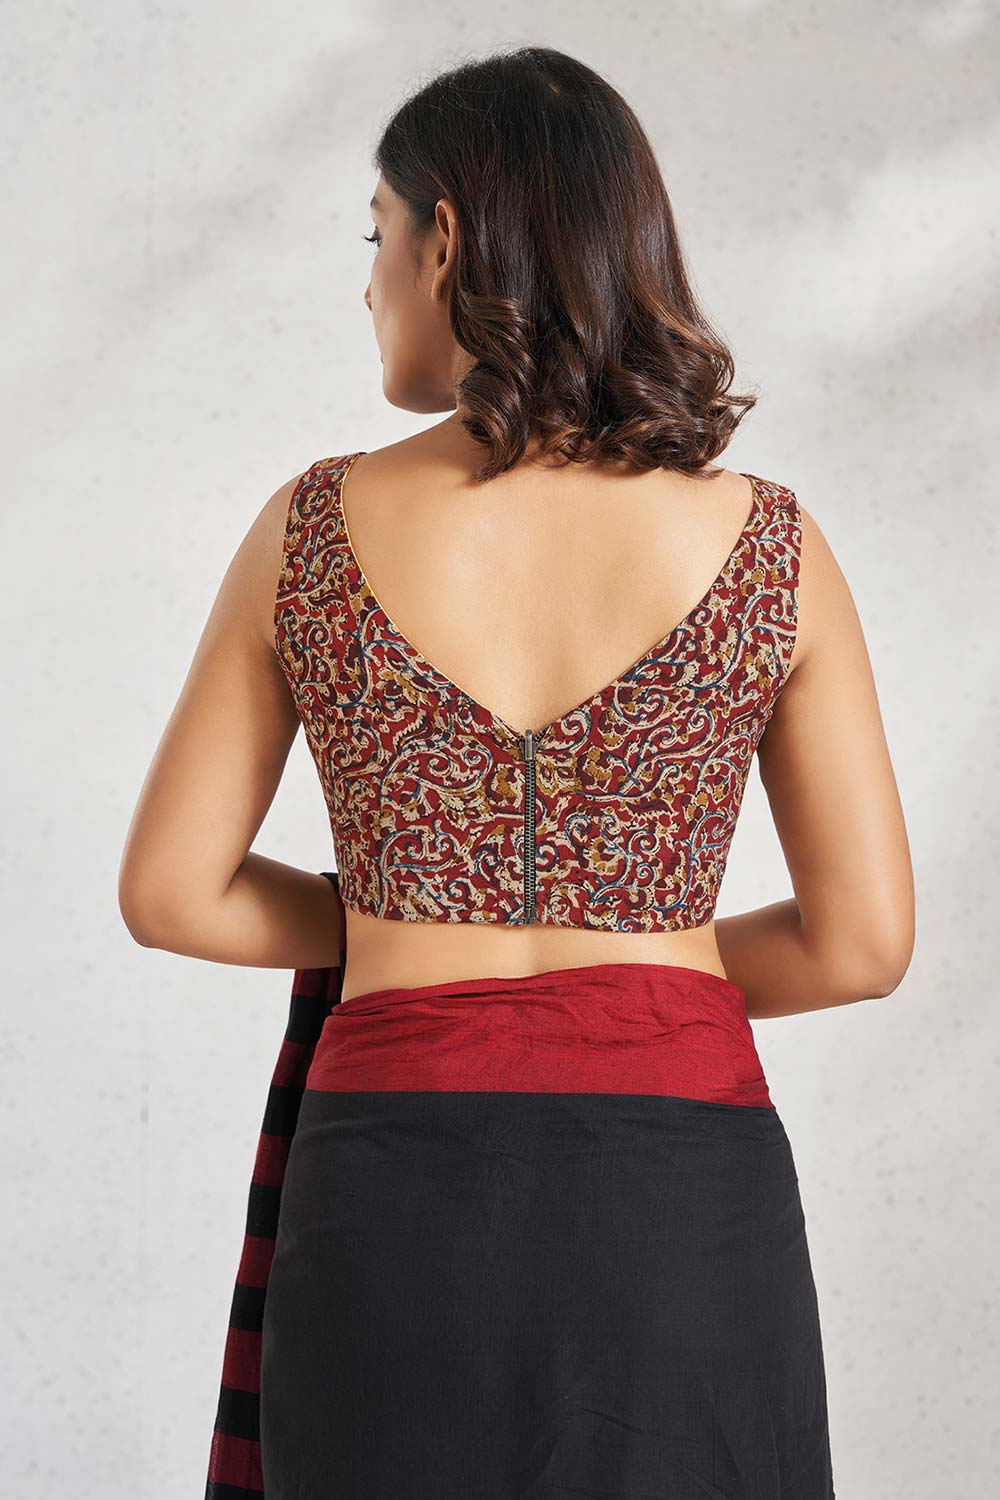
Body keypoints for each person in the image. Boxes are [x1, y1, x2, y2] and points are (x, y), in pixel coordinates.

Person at [119, 44, 914, 1500]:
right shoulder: (771, 547)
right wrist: (642, 968)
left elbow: (172, 892)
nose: (367, 283)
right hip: (683, 1210)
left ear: (445, 241)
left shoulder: (311, 530)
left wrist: (396, 923)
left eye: (374, 234)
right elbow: (862, 944)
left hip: (391, 1190)